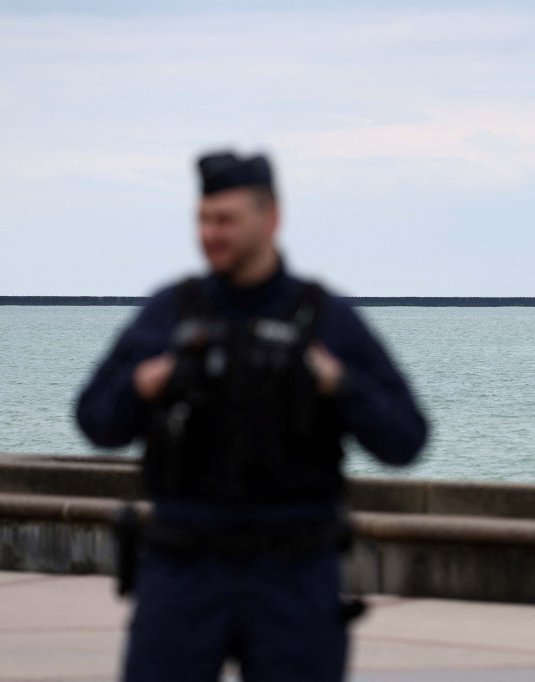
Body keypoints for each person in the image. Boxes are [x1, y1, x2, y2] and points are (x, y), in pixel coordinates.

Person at [77, 150, 428, 682]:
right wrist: (142, 384)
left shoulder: (323, 318)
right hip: (183, 565)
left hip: (293, 570)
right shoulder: (172, 313)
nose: (211, 234)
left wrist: (339, 384)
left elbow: (405, 440)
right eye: (203, 219)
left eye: (227, 220)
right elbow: (96, 422)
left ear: (270, 219)